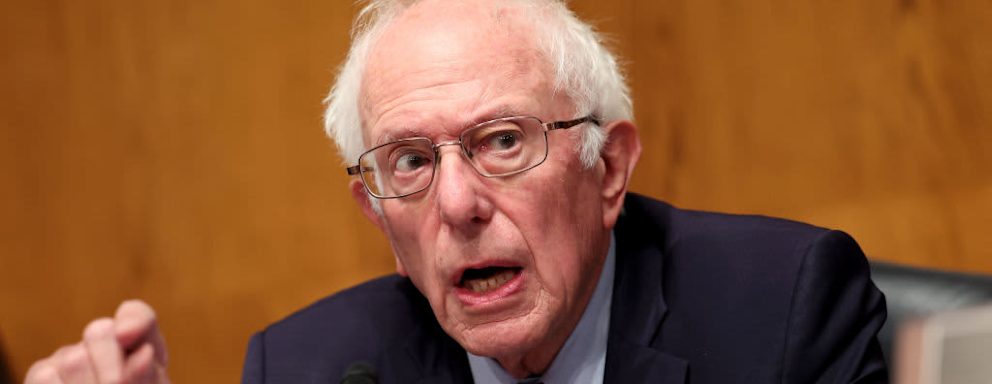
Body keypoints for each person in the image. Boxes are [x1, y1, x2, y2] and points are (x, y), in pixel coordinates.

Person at [25, 0, 889, 383]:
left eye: (503, 141)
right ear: (378, 216)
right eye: (408, 162)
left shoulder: (783, 310)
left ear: (610, 170)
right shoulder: (311, 372)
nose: (458, 204)